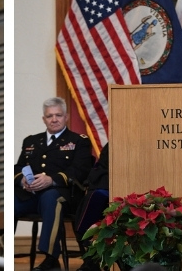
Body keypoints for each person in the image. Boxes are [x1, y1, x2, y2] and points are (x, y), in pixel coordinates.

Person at [14, 97, 94, 271]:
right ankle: (0, 254)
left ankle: (51, 258)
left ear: (66, 117)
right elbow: (18, 167)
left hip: (65, 195)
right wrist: (22, 180)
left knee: (51, 198)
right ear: (44, 119)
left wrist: (52, 180)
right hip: (32, 195)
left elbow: (81, 170)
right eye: (50, 116)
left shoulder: (78, 141)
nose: (54, 119)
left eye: (58, 115)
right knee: (11, 200)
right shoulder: (31, 141)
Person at [74, 143, 110, 271]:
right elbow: (101, 167)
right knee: (95, 196)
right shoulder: (115, 140)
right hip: (107, 184)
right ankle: (91, 258)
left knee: (97, 196)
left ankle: (93, 259)